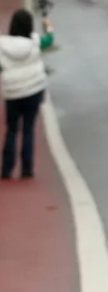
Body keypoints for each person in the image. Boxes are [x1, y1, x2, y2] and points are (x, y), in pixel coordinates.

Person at [0, 10, 53, 179]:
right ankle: (27, 168)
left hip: (12, 91)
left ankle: (6, 168)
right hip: (33, 90)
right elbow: (49, 39)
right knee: (28, 129)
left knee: (11, 129)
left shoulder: (2, 44)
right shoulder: (35, 42)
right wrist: (48, 26)